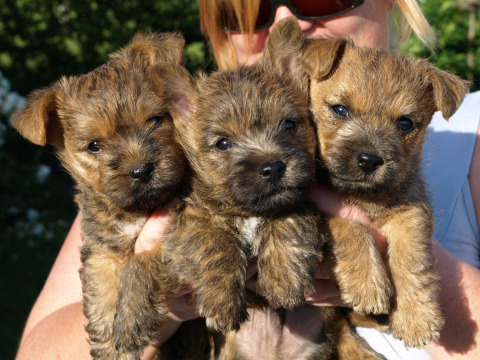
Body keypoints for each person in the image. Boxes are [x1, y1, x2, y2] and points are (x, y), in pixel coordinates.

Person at [15, 0, 480, 359]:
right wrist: (163, 310)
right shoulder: (157, 167)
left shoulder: (473, 130)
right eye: (250, 10)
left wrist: (408, 269)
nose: (286, 19)